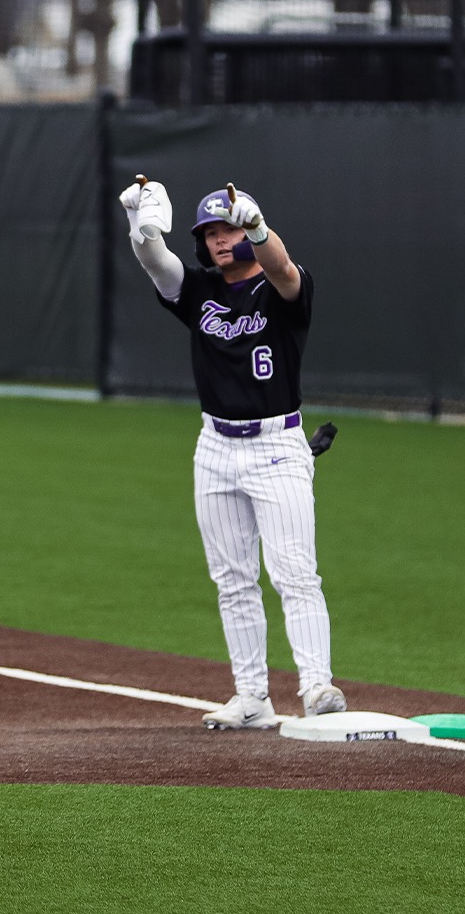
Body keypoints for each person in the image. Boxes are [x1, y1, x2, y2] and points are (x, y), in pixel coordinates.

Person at [118, 177, 345, 730]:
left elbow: (283, 269)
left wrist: (259, 229)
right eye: (210, 233)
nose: (219, 240)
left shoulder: (281, 288)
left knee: (295, 572)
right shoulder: (200, 291)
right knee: (232, 578)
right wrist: (140, 224)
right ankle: (252, 697)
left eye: (228, 229)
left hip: (277, 444)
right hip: (215, 447)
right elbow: (155, 263)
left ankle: (316, 685)